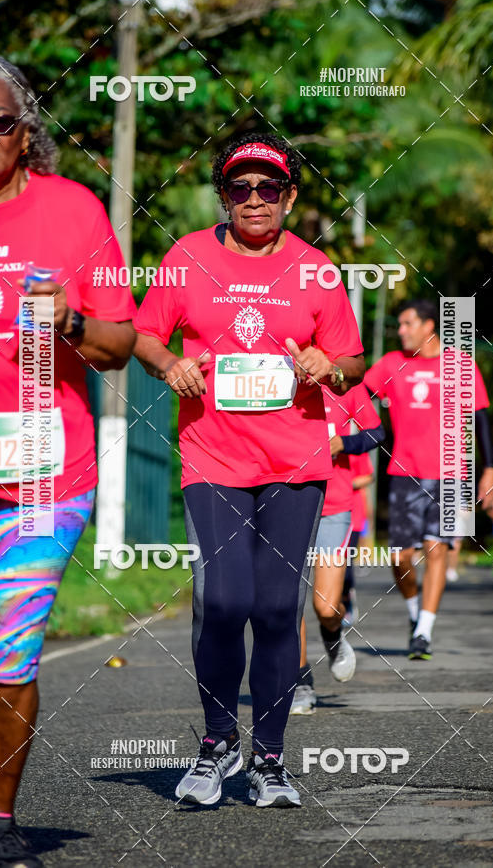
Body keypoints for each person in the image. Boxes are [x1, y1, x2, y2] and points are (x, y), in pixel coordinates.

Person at [133, 132, 364, 807]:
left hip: (296, 461)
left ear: (289, 195)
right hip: (213, 455)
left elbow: (351, 360)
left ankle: (269, 758)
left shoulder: (318, 270)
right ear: (224, 195)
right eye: (241, 187)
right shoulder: (188, 257)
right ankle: (215, 742)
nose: (255, 199)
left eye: (269, 187)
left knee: (272, 609)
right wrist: (167, 363)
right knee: (222, 599)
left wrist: (329, 365)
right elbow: (144, 332)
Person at [0, 57, 136, 868]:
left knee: (8, 646)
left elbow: (121, 345)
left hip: (46, 469)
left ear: (26, 132)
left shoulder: (74, 210)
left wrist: (71, 319)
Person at [364, 299, 493, 660]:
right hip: (404, 473)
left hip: (450, 473)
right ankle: (413, 615)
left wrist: (490, 468)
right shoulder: (391, 364)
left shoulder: (460, 364)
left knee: (437, 549)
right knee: (400, 556)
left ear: (429, 326)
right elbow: (357, 396)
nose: (401, 330)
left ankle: (424, 631)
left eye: (407, 324)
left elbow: (480, 417)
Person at [290, 384, 383, 715]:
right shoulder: (276, 376)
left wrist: (343, 442)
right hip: (284, 503)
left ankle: (333, 638)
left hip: (334, 505)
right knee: (289, 602)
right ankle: (300, 682)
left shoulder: (347, 385)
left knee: (327, 607)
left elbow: (377, 432)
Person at [340, 451, 375, 624]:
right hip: (327, 513)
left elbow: (369, 477)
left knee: (345, 564)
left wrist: (345, 483)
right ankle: (333, 602)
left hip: (353, 515)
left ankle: (346, 600)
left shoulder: (354, 447)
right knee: (326, 562)